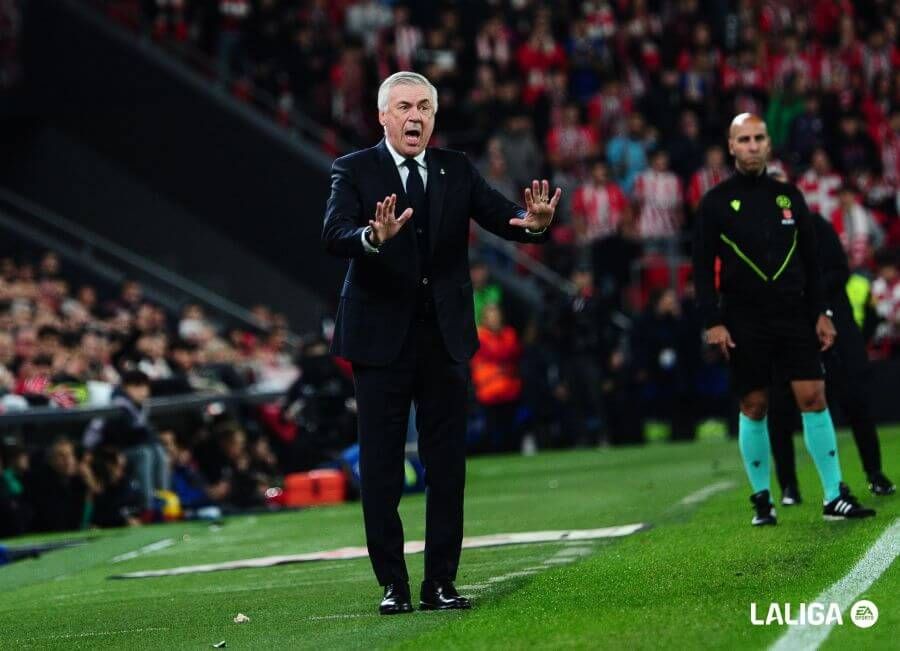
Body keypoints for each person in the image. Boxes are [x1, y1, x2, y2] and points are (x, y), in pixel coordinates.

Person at [322, 71, 559, 615]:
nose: (416, 116)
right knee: (381, 467)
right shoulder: (353, 169)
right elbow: (333, 233)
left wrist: (535, 225)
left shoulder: (455, 168)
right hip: (380, 341)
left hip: (445, 338)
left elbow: (505, 217)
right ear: (383, 116)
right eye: (404, 106)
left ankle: (440, 584)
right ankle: (393, 585)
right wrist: (370, 238)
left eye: (425, 107)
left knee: (447, 465)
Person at [692, 113, 875, 526]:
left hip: (793, 313)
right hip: (743, 316)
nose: (753, 145)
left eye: (759, 138)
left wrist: (821, 313)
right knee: (754, 404)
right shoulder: (716, 203)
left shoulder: (790, 197)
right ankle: (762, 498)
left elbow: (812, 264)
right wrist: (713, 320)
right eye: (745, 139)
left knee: (814, 396)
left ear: (769, 144)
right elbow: (702, 268)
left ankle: (833, 495)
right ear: (732, 146)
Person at [768, 211, 895, 504]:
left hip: (832, 317)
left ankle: (874, 472)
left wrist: (808, 295)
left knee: (854, 396)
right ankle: (789, 484)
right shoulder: (758, 234)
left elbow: (840, 269)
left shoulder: (813, 224)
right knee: (781, 404)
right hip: (787, 325)